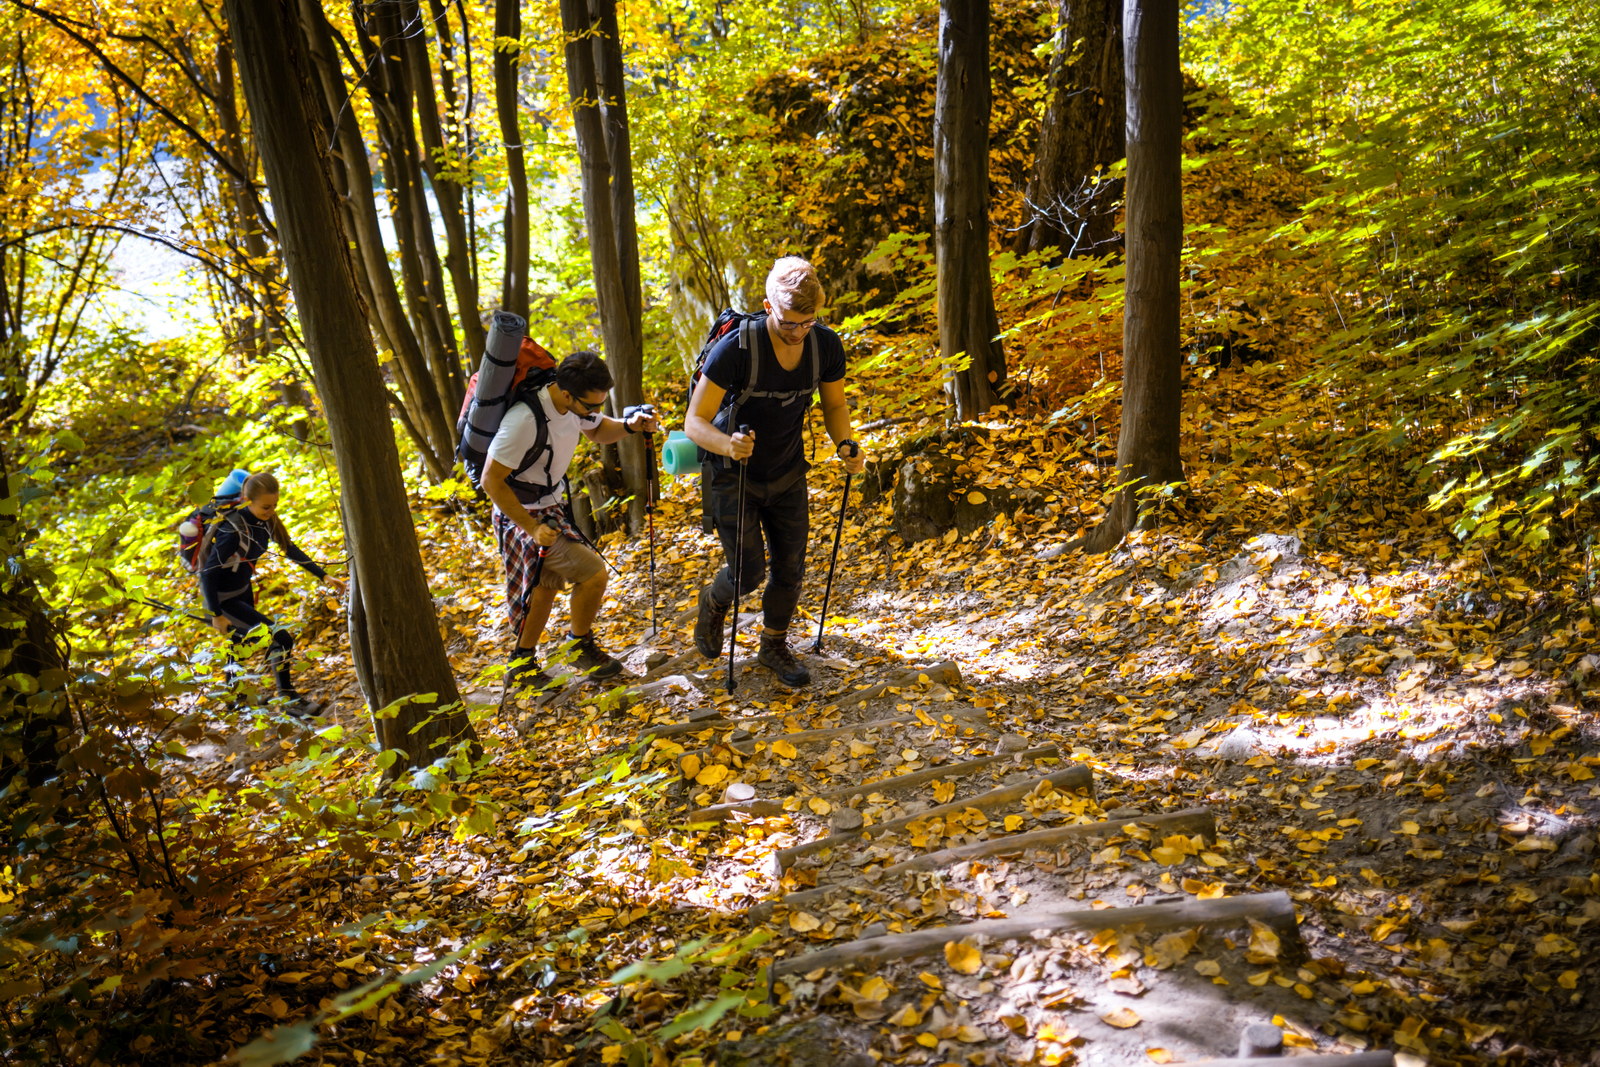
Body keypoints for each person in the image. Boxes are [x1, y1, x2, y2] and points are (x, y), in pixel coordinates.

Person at [685, 256, 867, 687]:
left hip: (787, 470)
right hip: (735, 472)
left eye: (808, 321)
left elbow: (835, 405)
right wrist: (727, 444)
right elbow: (695, 421)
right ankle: (713, 601)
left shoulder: (825, 345)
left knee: (790, 567)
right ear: (768, 308)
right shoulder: (737, 348)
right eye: (789, 322)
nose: (798, 331)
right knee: (747, 573)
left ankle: (773, 645)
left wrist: (844, 444)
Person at [482, 349, 660, 693]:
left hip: (550, 507)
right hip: (521, 514)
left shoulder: (571, 403)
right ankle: (578, 645)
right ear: (566, 394)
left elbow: (597, 430)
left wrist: (629, 426)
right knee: (593, 573)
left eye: (599, 404)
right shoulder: (523, 421)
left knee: (544, 587)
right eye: (590, 405)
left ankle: (521, 665)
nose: (595, 411)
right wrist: (531, 527)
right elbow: (491, 480)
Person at [198, 471, 341, 715]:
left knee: (239, 641)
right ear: (246, 500)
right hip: (223, 599)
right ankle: (290, 701)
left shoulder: (266, 520)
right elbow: (208, 573)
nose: (271, 510)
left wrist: (323, 575)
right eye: (266, 506)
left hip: (242, 590)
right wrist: (216, 614)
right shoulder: (232, 530)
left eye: (274, 505)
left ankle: (236, 697)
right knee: (281, 638)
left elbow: (289, 547)